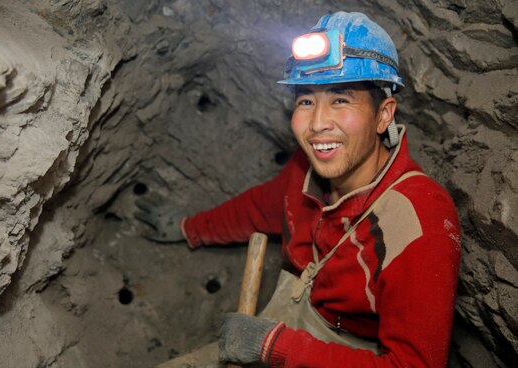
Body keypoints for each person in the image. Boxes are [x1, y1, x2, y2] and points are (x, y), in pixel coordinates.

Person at [135, 11, 461, 368]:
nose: (318, 124)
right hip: (291, 316)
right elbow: (260, 208)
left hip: (350, 351)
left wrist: (275, 346)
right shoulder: (306, 170)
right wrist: (188, 228)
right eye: (306, 100)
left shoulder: (419, 219)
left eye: (341, 99)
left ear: (384, 114)